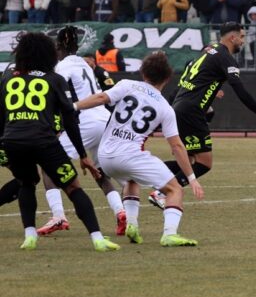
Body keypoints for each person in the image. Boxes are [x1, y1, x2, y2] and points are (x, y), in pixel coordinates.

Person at [0, 32, 119, 251]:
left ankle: (29, 236)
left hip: (13, 141)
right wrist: (83, 156)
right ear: (47, 54)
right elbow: (70, 119)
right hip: (45, 142)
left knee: (26, 183)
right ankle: (97, 238)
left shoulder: (7, 77)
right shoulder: (54, 79)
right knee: (73, 187)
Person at [75, 51, 205, 246]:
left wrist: (74, 106)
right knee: (175, 190)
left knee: (131, 180)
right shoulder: (165, 107)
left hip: (106, 156)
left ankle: (132, 224)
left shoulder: (127, 84)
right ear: (168, 78)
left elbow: (102, 97)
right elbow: (177, 146)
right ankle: (170, 234)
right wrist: (192, 178)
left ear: (143, 73)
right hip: (130, 155)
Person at [147, 22, 256, 208]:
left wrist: (206, 91)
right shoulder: (225, 57)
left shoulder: (209, 50)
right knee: (204, 163)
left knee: (190, 160)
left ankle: (146, 173)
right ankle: (161, 191)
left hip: (181, 106)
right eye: (242, 36)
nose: (243, 41)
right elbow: (241, 91)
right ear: (232, 38)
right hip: (191, 112)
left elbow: (190, 74)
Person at [35, 27, 128, 236]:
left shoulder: (62, 66)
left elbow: (59, 93)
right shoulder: (85, 64)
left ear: (58, 47)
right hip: (104, 119)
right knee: (99, 172)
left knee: (49, 166)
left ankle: (58, 216)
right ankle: (120, 211)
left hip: (84, 120)